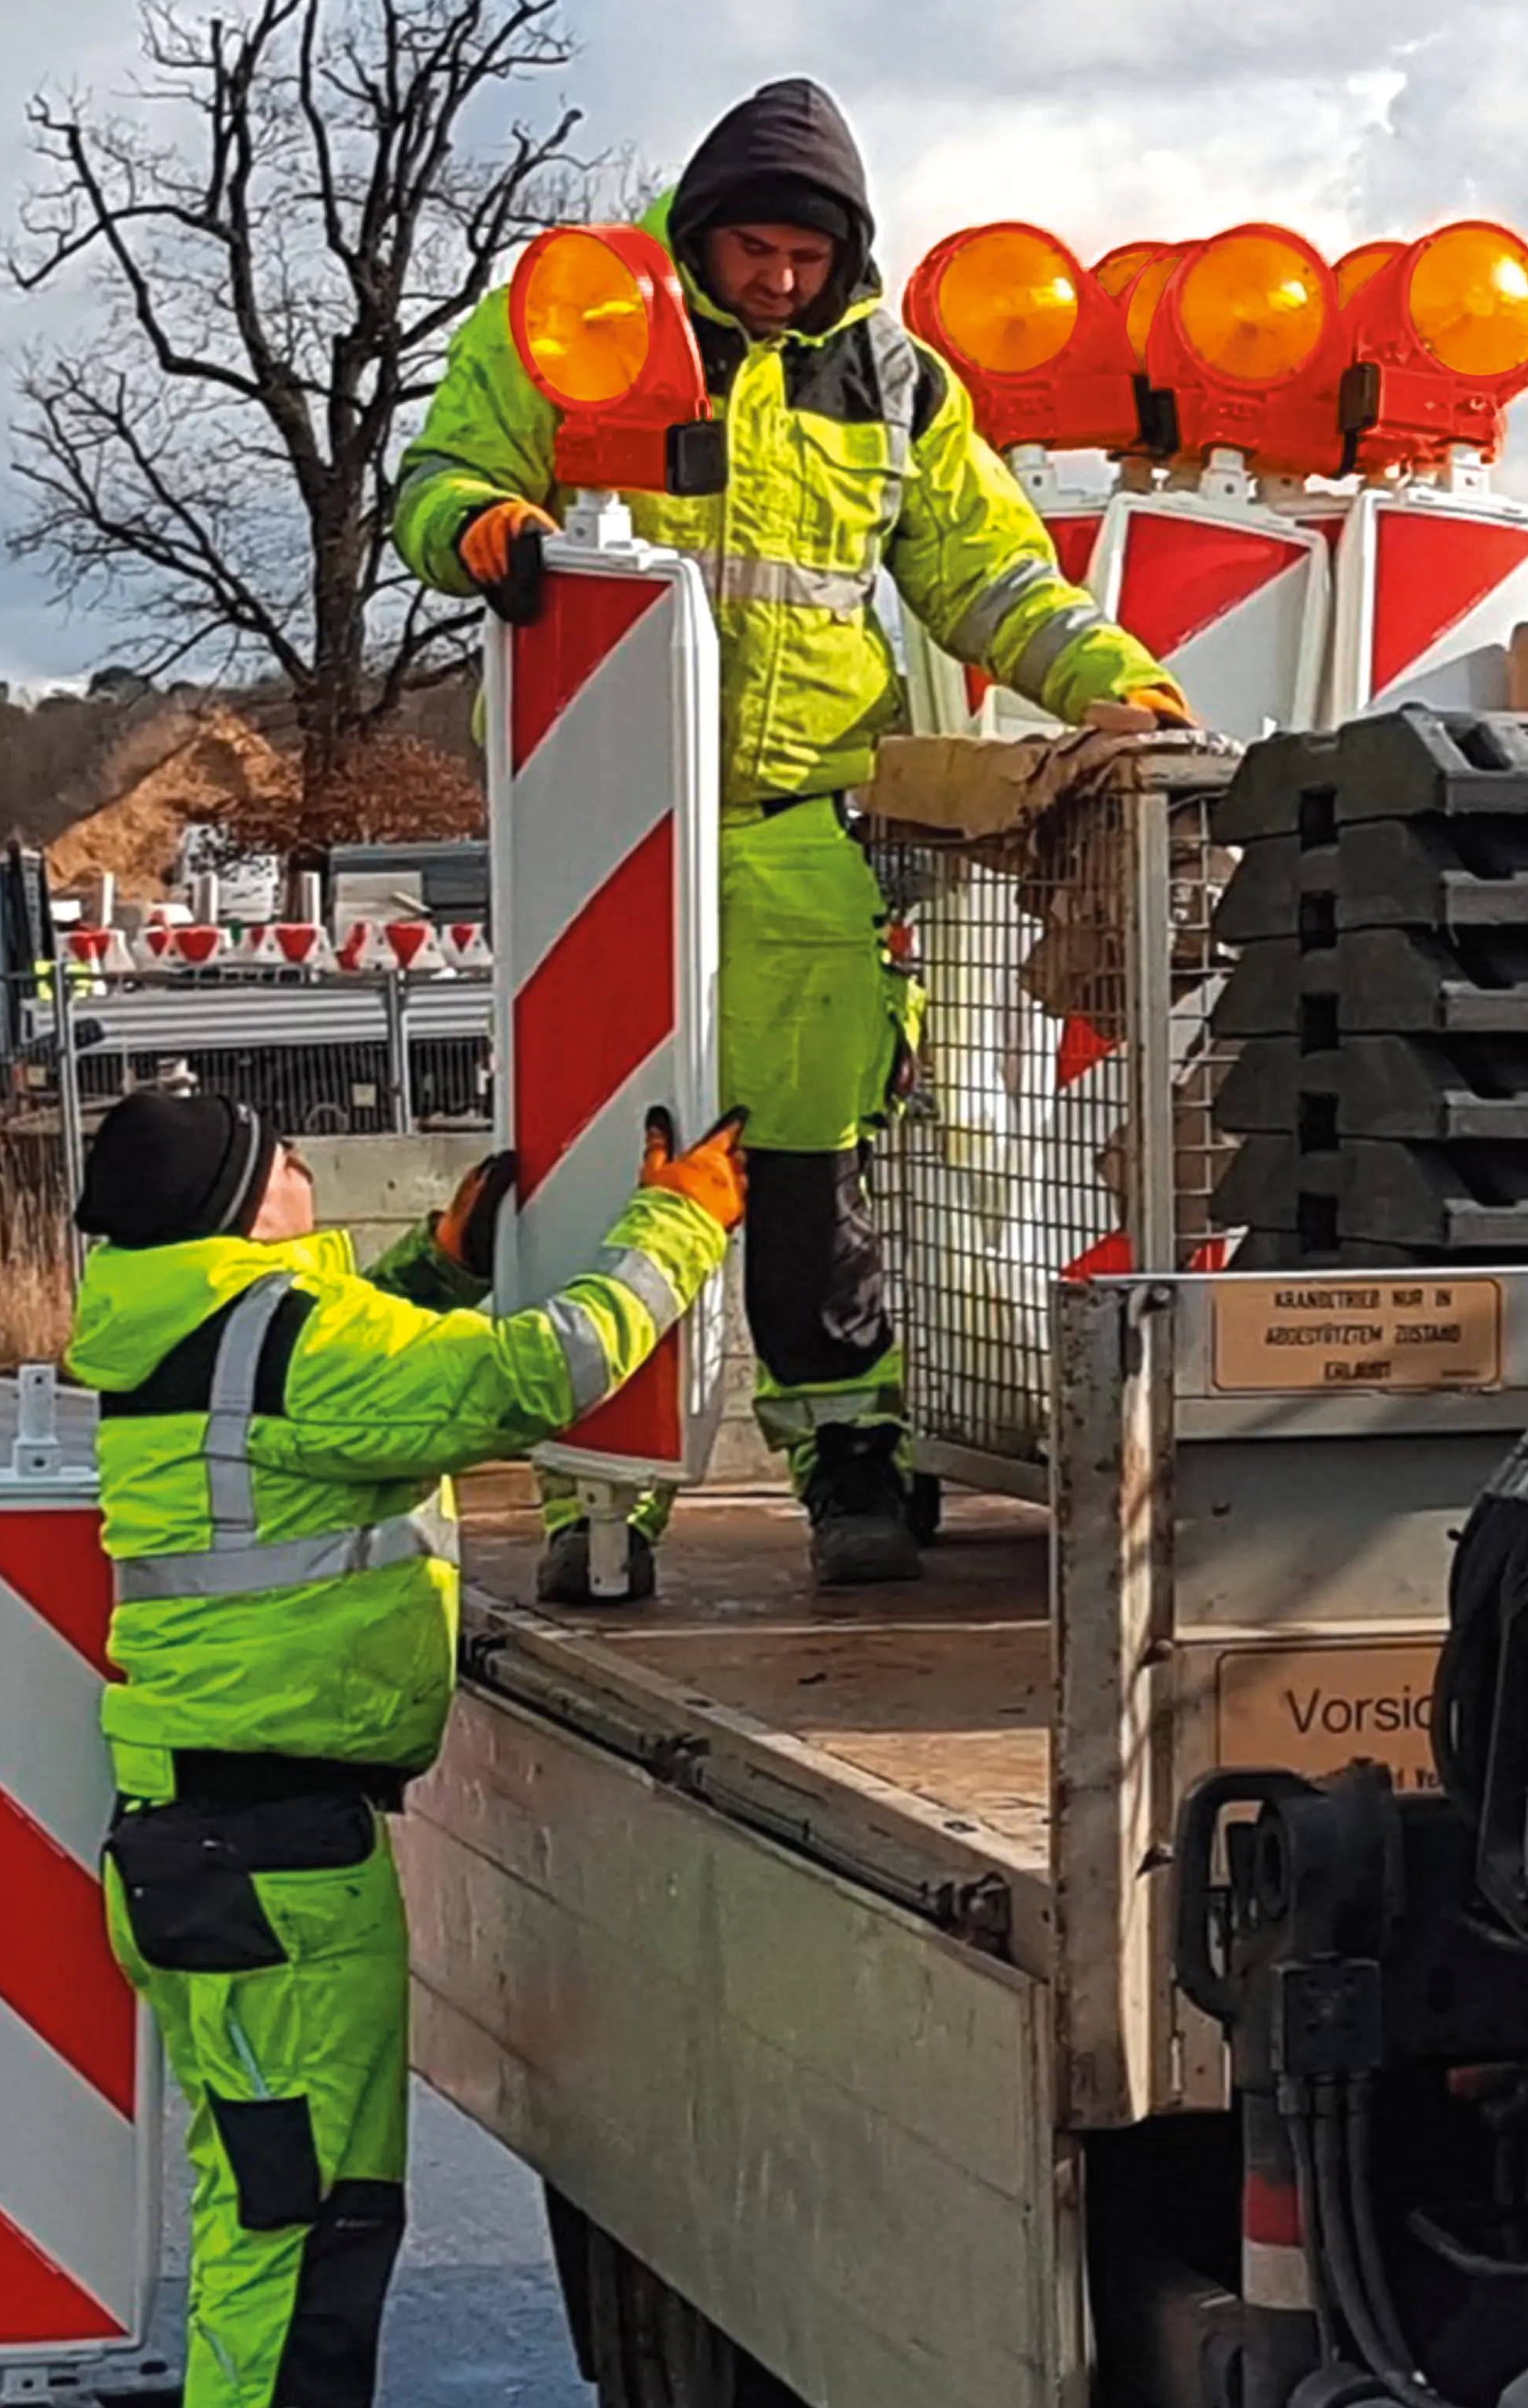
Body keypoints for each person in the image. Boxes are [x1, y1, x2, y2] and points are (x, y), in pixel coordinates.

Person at [393, 78, 1192, 1595]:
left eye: (801, 259)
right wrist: (480, 532)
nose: (774, 280)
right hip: (603, 814)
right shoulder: (588, 320)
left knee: (816, 1156)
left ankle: (844, 1455)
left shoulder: (892, 380)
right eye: (751, 251)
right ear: (699, 235)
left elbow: (988, 573)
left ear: (847, 256)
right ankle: (596, 1490)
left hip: (790, 820)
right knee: (601, 1157)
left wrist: (1110, 682)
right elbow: (438, 483)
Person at [63, 1085, 744, 2408]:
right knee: (306, 2231)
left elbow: (337, 1378)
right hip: (272, 1860)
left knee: (269, 2223)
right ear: (245, 1208)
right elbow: (537, 1371)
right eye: (288, 1162)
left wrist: (429, 1271)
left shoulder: (192, 1322)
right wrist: (681, 1219)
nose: (308, 1174)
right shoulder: (291, 1340)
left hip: (208, 1845)